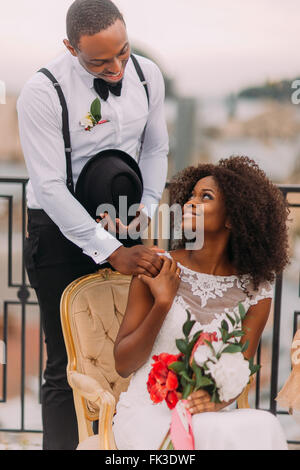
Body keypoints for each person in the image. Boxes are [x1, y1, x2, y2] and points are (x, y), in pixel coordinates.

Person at [17, 0, 168, 450]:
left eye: (122, 51)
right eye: (100, 61)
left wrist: (147, 209)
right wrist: (109, 249)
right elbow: (48, 186)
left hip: (126, 219)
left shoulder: (148, 75)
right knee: (68, 367)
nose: (118, 66)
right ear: (70, 47)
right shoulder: (42, 92)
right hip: (61, 230)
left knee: (128, 356)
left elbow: (156, 149)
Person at [113, 156, 290, 450]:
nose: (189, 203)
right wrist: (163, 303)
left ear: (233, 217)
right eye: (190, 196)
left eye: (205, 197)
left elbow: (238, 369)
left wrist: (215, 400)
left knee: (266, 423)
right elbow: (122, 364)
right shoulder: (158, 268)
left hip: (209, 414)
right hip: (146, 414)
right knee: (217, 433)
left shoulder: (257, 292)